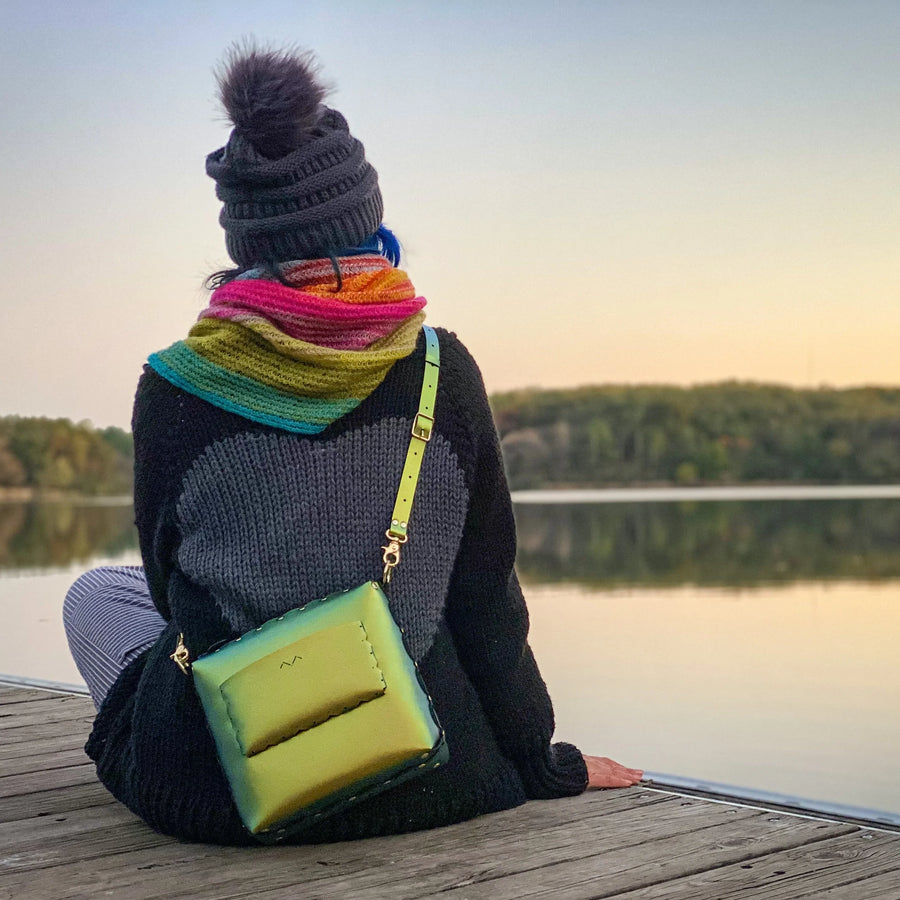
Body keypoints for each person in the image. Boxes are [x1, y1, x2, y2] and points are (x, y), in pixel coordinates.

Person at [63, 44, 642, 845]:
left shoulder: (175, 387)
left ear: (242, 243)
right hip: (425, 768)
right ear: (371, 225)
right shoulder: (440, 367)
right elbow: (485, 598)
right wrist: (541, 760)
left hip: (229, 787)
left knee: (97, 595)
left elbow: (171, 598)